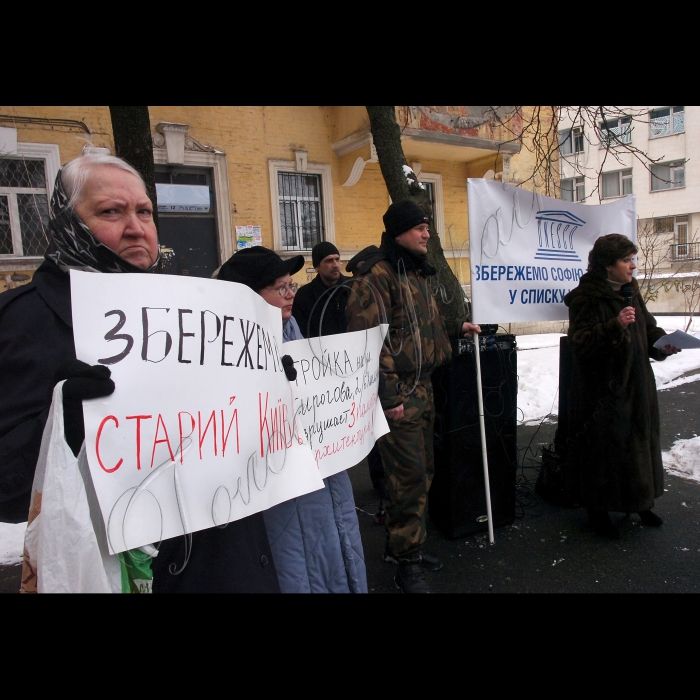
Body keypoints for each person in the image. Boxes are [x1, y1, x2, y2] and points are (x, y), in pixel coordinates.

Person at [0, 153, 280, 593]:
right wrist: (66, 425)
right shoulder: (20, 324)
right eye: (111, 212)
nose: (136, 227)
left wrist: (271, 389)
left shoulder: (194, 310)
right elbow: (8, 489)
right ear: (65, 223)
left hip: (230, 564)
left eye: (144, 212)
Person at [345, 199, 480, 593]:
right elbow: (369, 345)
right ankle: (406, 564)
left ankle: (406, 548)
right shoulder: (376, 276)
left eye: (428, 226)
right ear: (401, 230)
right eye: (421, 227)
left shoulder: (415, 273)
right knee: (407, 480)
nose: (428, 234)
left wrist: (456, 328)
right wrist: (389, 399)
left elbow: (421, 328)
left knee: (423, 474)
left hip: (423, 389)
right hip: (399, 395)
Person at [217, 246, 368, 593]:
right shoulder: (228, 351)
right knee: (298, 569)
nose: (290, 295)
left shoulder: (291, 328)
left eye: (292, 286)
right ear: (247, 297)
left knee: (337, 559)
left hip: (326, 484)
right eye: (280, 288)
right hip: (284, 500)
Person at [564, 233, 680, 539]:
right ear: (607, 265)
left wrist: (663, 344)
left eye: (634, 260)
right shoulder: (586, 298)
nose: (633, 267)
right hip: (605, 391)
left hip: (637, 386)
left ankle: (640, 501)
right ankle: (598, 511)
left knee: (638, 444)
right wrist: (615, 326)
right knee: (605, 452)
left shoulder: (631, 292)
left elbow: (650, 328)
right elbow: (581, 343)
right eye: (626, 260)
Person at [292, 242, 350, 338]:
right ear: (317, 267)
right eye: (329, 261)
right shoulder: (304, 296)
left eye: (337, 259)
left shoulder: (353, 288)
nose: (335, 265)